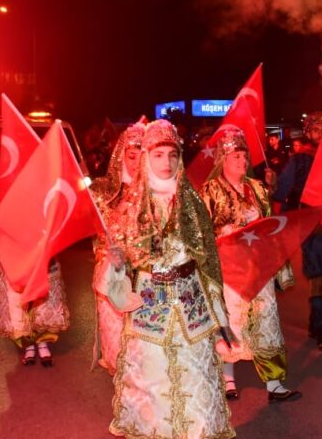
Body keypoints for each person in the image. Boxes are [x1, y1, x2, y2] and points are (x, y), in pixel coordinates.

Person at [108, 119, 235, 439]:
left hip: (191, 306)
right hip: (148, 311)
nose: (166, 162)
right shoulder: (128, 209)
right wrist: (116, 268)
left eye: (172, 155)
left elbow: (210, 266)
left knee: (197, 387)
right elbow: (116, 267)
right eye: (158, 155)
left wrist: (219, 319)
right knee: (153, 390)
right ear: (146, 159)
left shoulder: (193, 206)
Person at [201, 127, 300, 402]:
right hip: (229, 268)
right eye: (236, 157)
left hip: (258, 268)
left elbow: (270, 225)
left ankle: (274, 383)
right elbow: (201, 231)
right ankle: (227, 378)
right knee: (231, 320)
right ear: (222, 159)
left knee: (266, 319)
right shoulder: (209, 190)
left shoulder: (257, 188)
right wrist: (224, 232)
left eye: (245, 157)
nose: (242, 163)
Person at [0, 142, 70, 367]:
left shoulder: (45, 186)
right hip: (13, 255)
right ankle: (28, 345)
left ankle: (43, 343)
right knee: (19, 300)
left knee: (43, 299)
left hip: (41, 254)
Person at [273, 112, 322, 350]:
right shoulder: (300, 160)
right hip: (311, 226)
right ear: (308, 133)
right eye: (315, 130)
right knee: (318, 277)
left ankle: (317, 322)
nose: (320, 135)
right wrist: (273, 187)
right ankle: (320, 328)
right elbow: (282, 189)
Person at [88, 121, 144, 373]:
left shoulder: (155, 193)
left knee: (143, 348)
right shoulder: (103, 191)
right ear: (121, 156)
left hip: (144, 276)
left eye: (143, 157)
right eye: (132, 156)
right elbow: (95, 233)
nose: (137, 162)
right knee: (117, 346)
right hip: (114, 276)